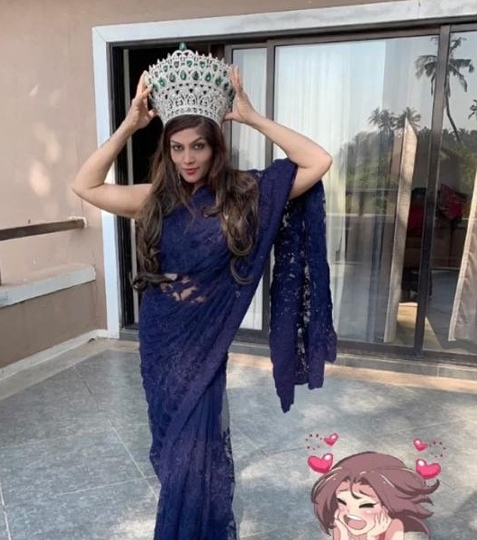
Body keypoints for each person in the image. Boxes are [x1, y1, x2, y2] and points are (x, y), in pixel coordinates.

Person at [72, 46, 336, 539]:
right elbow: (85, 185)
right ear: (167, 150)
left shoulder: (244, 195)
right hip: (161, 340)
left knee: (197, 449)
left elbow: (317, 160)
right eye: (177, 148)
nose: (188, 158)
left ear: (215, 146)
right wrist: (129, 125)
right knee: (174, 447)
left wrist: (252, 117)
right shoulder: (155, 199)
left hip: (205, 345)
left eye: (198, 146)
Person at [311, 452, 439, 540]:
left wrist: (372, 536)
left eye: (366, 505)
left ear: (387, 506)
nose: (350, 512)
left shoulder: (394, 526)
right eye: (342, 502)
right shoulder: (340, 523)